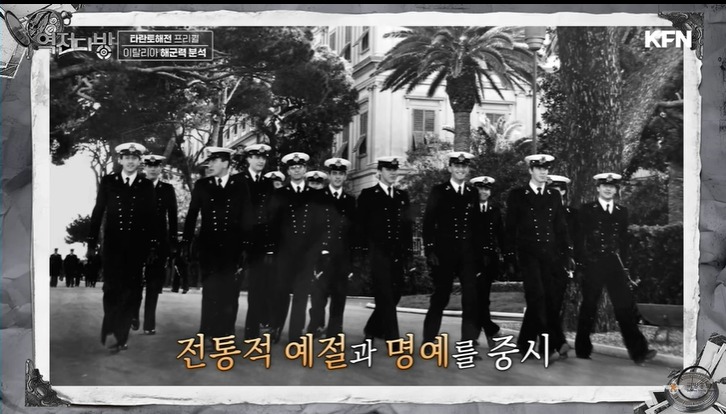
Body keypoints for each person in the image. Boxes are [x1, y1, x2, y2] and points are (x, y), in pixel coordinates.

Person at [574, 173, 657, 365]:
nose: (608, 189)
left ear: (616, 190)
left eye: (612, 187)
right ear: (598, 188)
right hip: (593, 263)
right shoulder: (587, 210)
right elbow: (579, 238)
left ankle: (639, 352)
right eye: (604, 186)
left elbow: (624, 241)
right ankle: (582, 348)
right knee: (589, 306)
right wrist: (582, 262)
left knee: (624, 306)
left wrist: (626, 265)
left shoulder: (621, 211)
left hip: (614, 264)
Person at [88, 142, 157, 353]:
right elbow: (98, 211)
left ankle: (121, 336)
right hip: (113, 245)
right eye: (127, 158)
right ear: (120, 160)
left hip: (136, 247)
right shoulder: (109, 181)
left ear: (139, 161)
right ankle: (111, 322)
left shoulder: (146, 185)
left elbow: (151, 217)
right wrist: (91, 242)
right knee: (111, 288)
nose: (130, 161)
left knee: (131, 291)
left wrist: (152, 246)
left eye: (134, 158)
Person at [503, 154, 573, 360]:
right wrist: (509, 257)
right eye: (539, 168)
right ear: (530, 170)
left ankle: (525, 343)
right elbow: (510, 227)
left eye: (546, 169)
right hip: (528, 254)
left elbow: (560, 228)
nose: (543, 172)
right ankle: (553, 343)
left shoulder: (553, 195)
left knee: (546, 299)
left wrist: (567, 254)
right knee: (537, 296)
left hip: (550, 255)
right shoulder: (518, 195)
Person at [181, 147, 253, 342]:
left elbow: (247, 216)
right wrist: (186, 242)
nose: (210, 165)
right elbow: (192, 214)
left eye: (214, 161)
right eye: (209, 161)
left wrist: (246, 247)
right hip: (208, 247)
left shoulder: (240, 185)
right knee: (210, 290)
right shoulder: (202, 185)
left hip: (232, 248)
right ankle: (206, 330)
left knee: (229, 292)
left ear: (226, 163)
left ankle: (225, 332)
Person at [421, 152, 480, 347]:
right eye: (457, 166)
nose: (461, 170)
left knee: (470, 299)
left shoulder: (472, 192)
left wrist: (479, 254)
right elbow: (429, 222)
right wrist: (430, 250)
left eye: (464, 167)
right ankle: (429, 340)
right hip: (444, 254)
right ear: (450, 168)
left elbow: (476, 225)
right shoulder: (439, 191)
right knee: (441, 296)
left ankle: (468, 344)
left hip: (467, 255)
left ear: (468, 169)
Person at [267, 152, 326, 344]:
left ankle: (295, 334)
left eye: (300, 167)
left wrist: (317, 251)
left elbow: (320, 226)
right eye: (293, 168)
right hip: (285, 252)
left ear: (305, 169)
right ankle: (275, 327)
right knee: (281, 291)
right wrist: (272, 249)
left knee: (301, 295)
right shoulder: (280, 194)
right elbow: (272, 224)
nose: (297, 170)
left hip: (307, 254)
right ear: (288, 171)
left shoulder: (314, 195)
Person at [357, 156, 414, 342]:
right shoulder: (368, 194)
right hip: (377, 254)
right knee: (386, 296)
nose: (393, 173)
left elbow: (407, 228)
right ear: (379, 172)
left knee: (395, 294)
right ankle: (393, 338)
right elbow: (360, 227)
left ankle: (372, 328)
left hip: (397, 254)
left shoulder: (402, 196)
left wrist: (409, 255)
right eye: (389, 169)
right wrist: (362, 255)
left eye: (395, 169)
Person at [307, 158, 356, 338]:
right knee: (318, 296)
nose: (337, 177)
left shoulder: (350, 200)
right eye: (334, 173)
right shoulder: (318, 197)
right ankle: (315, 326)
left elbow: (353, 231)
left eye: (341, 174)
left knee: (339, 297)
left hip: (342, 256)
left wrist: (352, 260)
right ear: (329, 175)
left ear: (345, 176)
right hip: (322, 256)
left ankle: (335, 330)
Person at [238, 143, 276, 340]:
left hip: (259, 244)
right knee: (230, 289)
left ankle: (251, 331)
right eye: (256, 157)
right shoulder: (238, 181)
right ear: (248, 159)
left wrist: (270, 244)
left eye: (263, 158)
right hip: (238, 242)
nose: (261, 161)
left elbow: (270, 215)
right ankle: (222, 331)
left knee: (257, 288)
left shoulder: (268, 183)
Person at [137, 154, 178, 335]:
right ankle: (133, 313)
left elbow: (173, 217)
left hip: (160, 242)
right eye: (149, 166)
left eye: (156, 166)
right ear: (144, 168)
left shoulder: (167, 189)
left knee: (154, 285)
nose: (153, 169)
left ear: (161, 168)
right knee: (134, 283)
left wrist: (173, 242)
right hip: (138, 241)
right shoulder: (136, 187)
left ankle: (149, 323)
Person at [470, 175, 504, 349]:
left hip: (489, 261)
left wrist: (507, 257)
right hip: (473, 261)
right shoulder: (469, 210)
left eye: (486, 189)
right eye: (480, 189)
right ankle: (491, 330)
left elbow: (500, 235)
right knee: (478, 299)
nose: (483, 192)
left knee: (483, 299)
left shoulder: (494, 210)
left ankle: (474, 336)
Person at [548, 174, 578, 357]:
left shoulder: (572, 214)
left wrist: (574, 261)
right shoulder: (541, 213)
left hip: (562, 264)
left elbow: (577, 240)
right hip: (543, 263)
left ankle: (551, 343)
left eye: (557, 191)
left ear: (564, 192)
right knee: (547, 305)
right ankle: (558, 343)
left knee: (556, 305)